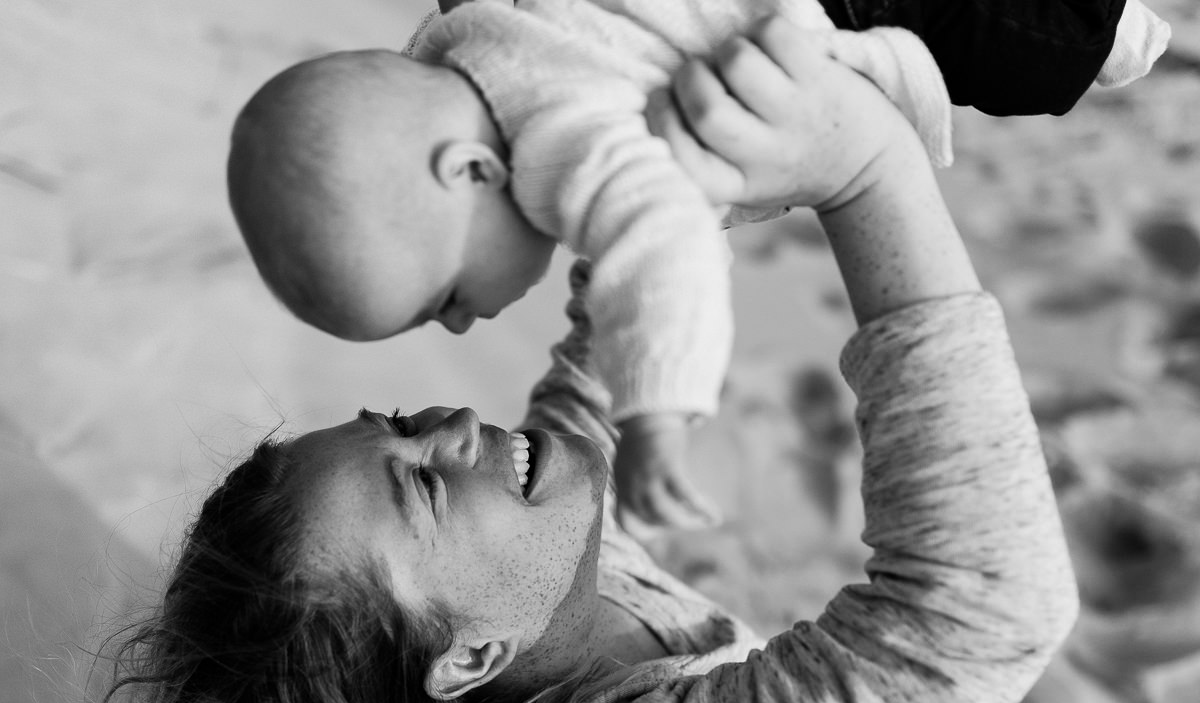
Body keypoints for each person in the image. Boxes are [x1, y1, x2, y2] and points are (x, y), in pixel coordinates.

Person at [82, 18, 1185, 703]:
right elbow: (980, 609)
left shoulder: (532, 584)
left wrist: (641, 158)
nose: (457, 425)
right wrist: (867, 177)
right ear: (468, 659)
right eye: (420, 487)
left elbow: (596, 383)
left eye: (400, 423)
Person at [224, 0, 1169, 532]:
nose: (468, 322)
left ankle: (1126, 32)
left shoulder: (565, 135)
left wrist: (657, 415)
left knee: (1044, 49)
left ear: (469, 171)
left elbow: (665, 250)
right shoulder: (478, 28)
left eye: (443, 300)